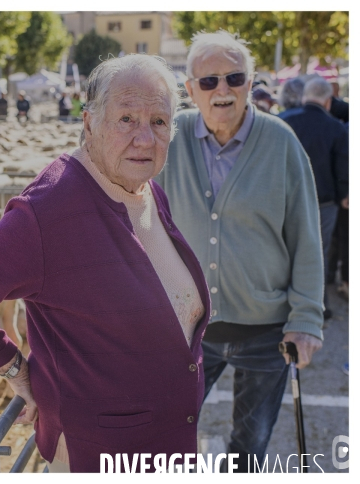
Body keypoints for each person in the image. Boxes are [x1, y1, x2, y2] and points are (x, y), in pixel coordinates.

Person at [0, 54, 211, 473]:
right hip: (101, 453)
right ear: (89, 123)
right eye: (127, 119)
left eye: (159, 122)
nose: (146, 138)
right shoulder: (51, 208)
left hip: (166, 443)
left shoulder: (146, 189)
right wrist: (14, 370)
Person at [155, 30, 323, 473]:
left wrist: (306, 319)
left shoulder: (281, 141)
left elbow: (306, 235)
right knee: (164, 432)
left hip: (265, 330)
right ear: (189, 90)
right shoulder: (169, 143)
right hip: (188, 331)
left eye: (234, 78)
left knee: (249, 447)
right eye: (208, 82)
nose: (222, 90)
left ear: (251, 83)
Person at [281, 76, 349, 320]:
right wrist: (345, 197)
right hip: (324, 202)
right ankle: (317, 305)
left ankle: (285, 304)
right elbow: (343, 168)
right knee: (318, 253)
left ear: (303, 96)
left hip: (286, 200)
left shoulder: (282, 122)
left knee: (286, 251)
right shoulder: (336, 127)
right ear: (328, 101)